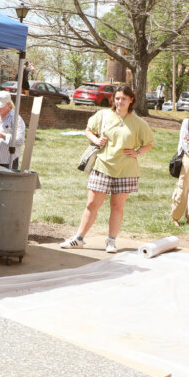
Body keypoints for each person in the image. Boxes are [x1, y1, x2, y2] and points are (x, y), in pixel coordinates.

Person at [60, 85, 154, 253]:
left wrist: (138, 152)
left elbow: (150, 142)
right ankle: (79, 238)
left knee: (117, 206)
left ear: (131, 100)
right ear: (113, 99)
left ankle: (111, 241)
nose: (120, 101)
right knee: (91, 204)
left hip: (126, 170)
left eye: (124, 98)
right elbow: (88, 130)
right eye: (117, 98)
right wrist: (96, 140)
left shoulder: (138, 123)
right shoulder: (103, 115)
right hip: (102, 165)